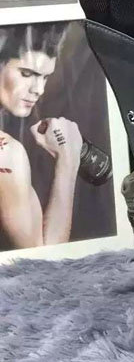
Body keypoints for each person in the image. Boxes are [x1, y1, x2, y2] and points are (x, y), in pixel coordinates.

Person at [0, 23, 82, 249]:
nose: (39, 89)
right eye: (26, 74)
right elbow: (47, 257)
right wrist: (68, 160)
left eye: (45, 77)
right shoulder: (6, 154)